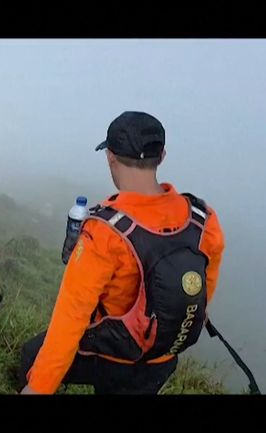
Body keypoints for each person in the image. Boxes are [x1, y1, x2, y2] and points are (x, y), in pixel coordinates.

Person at [19, 111, 225, 395]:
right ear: (161, 156)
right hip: (163, 358)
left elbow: (71, 318)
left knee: (30, 356)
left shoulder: (104, 232)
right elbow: (203, 291)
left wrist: (38, 387)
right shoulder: (204, 219)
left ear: (110, 157)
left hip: (114, 358)